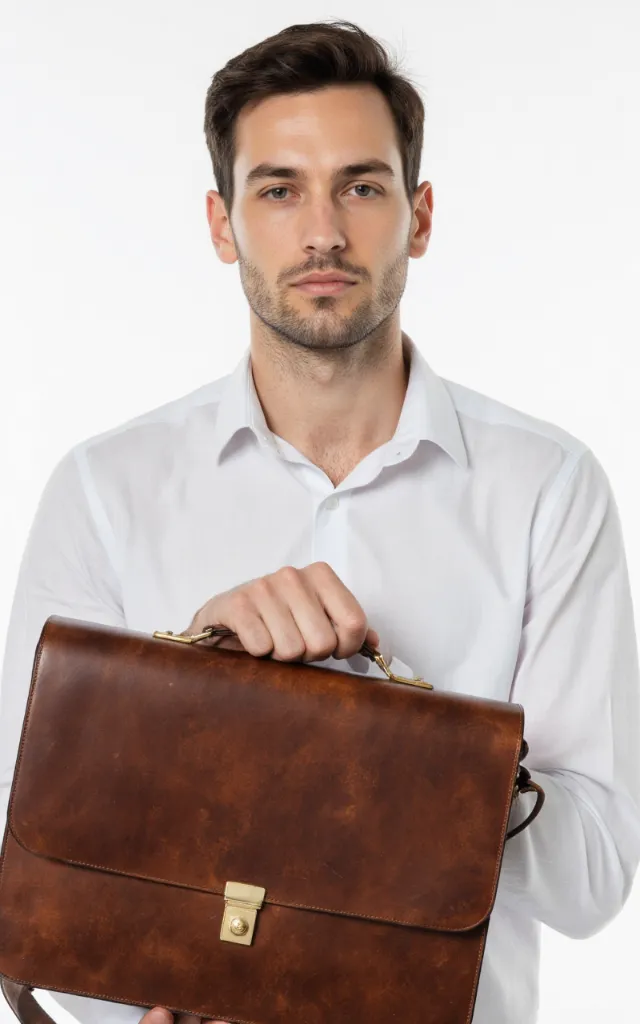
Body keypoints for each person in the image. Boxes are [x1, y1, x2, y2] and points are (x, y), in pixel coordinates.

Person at [1, 16, 639, 1024]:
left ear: (418, 216)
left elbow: (595, 878)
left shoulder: (548, 488)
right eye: (279, 189)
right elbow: (27, 853)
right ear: (222, 224)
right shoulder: (102, 489)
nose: (323, 233)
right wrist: (189, 676)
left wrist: (404, 751)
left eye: (361, 185)